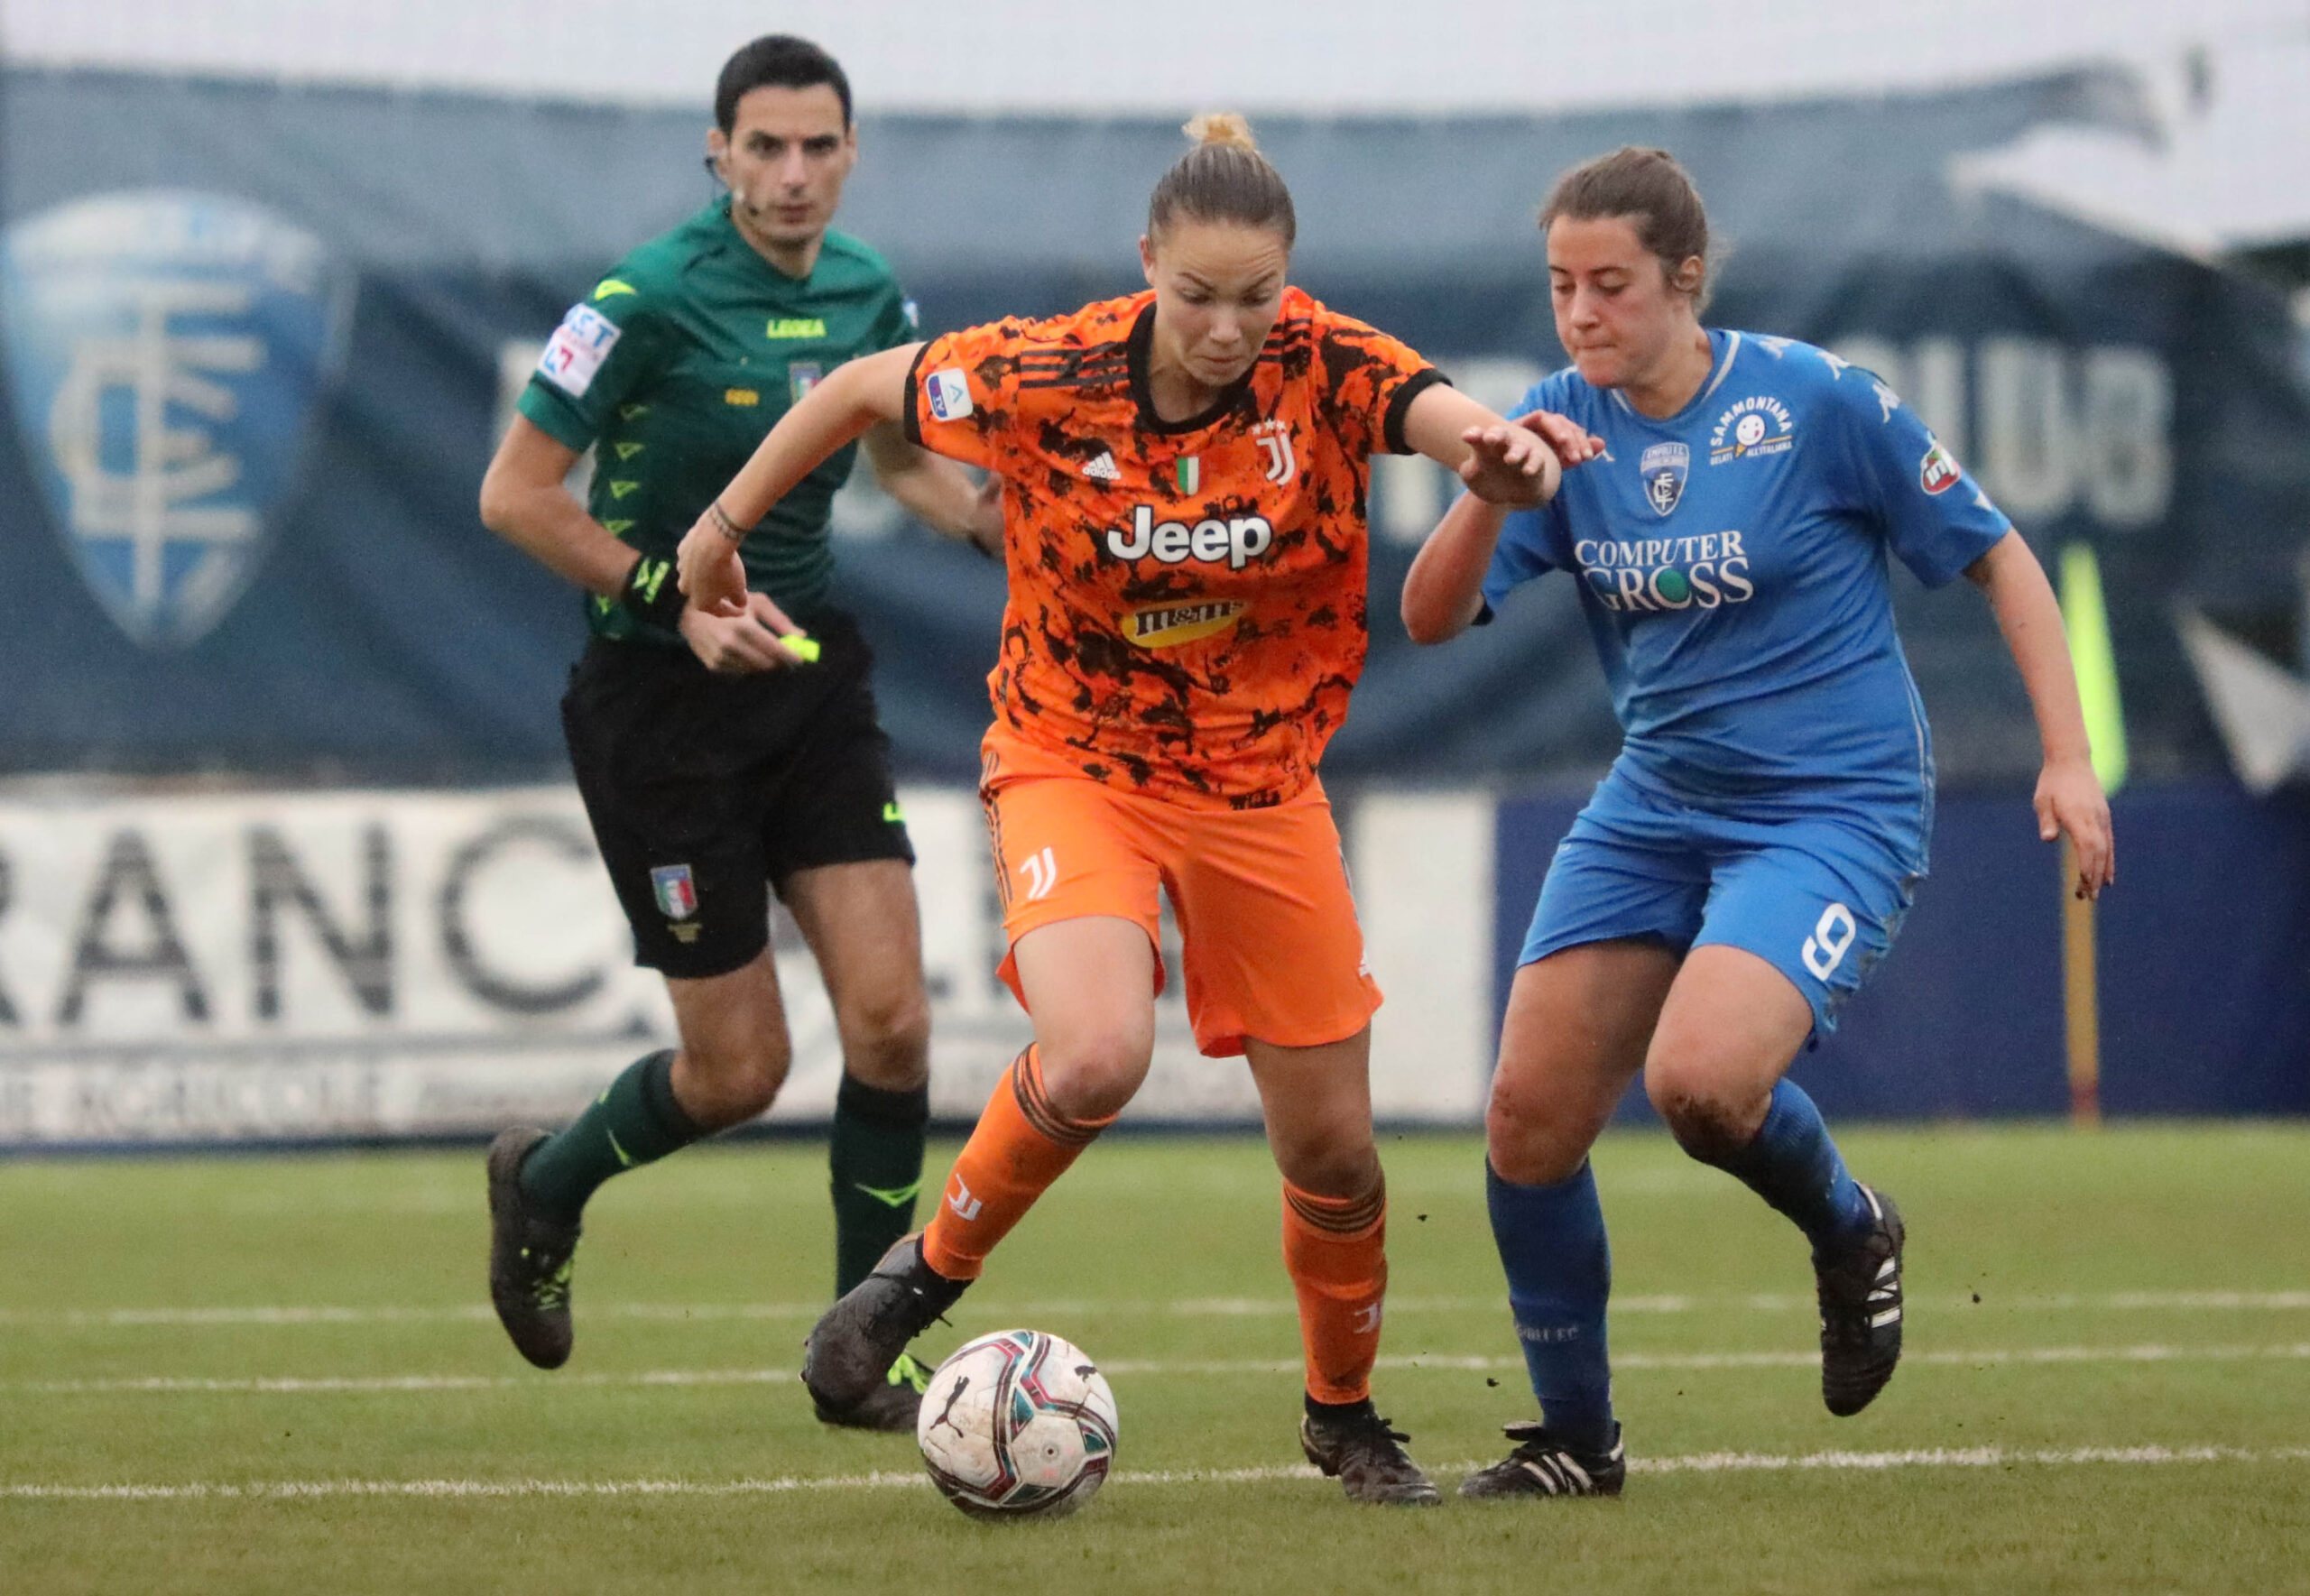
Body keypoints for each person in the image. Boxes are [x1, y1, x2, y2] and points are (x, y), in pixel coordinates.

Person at [676, 115, 1570, 1505]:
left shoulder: (1327, 364)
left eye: (1256, 296)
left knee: (1335, 1153)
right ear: (1148, 261)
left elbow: (1449, 418)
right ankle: (911, 1289)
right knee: (1095, 1052)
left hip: (1260, 785)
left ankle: (1343, 1415)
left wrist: (1501, 461)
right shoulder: (1052, 371)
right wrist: (717, 532)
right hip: (1074, 760)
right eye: (1198, 294)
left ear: (1289, 281)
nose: (1227, 328)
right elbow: (853, 391)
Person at [1400, 146, 2118, 1499]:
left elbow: (2002, 557)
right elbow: (1430, 620)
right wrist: (1490, 494)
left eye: (1610, 284)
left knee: (1703, 1085)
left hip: (1832, 807)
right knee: (1527, 1122)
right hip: (1657, 802)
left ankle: (1851, 1229)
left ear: (1686, 280)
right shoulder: (1554, 423)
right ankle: (1578, 1442)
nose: (1580, 313)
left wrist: (2068, 758)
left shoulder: (1816, 400)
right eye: (1560, 285)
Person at [475, 33, 1000, 1432]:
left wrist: (999, 522)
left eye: (819, 145)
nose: (793, 172)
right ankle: (545, 1181)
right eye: (765, 146)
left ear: (852, 152)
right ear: (718, 154)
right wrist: (673, 596)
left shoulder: (867, 287)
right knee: (738, 1072)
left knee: (893, 1022)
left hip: (809, 678)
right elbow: (515, 494)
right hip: (660, 705)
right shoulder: (645, 296)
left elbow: (899, 460)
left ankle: (859, 1353)